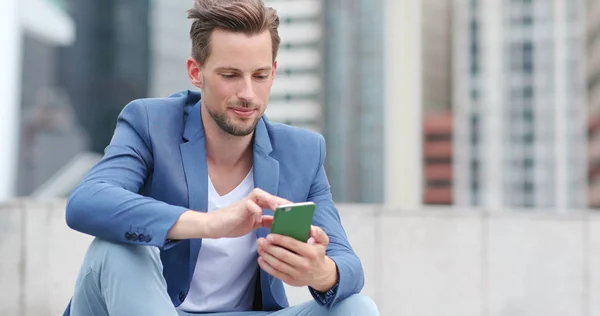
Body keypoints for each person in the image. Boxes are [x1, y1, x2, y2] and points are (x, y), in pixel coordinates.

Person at [63, 0, 378, 315]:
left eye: (260, 76)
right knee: (115, 248)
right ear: (196, 72)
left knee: (357, 307)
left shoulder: (303, 151)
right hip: (153, 307)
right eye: (230, 75)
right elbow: (88, 201)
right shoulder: (150, 123)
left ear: (274, 72)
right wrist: (211, 224)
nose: (248, 94)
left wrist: (322, 273)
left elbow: (349, 264)